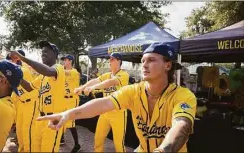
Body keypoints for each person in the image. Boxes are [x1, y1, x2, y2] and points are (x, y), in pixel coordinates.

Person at [38, 43, 197, 153]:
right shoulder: (134, 91)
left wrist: (163, 150)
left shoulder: (183, 95)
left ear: (168, 65)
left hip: (163, 148)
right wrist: (68, 114)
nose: (144, 65)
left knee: (119, 145)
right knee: (98, 141)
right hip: (135, 141)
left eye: (151, 60)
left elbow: (181, 126)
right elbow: (102, 103)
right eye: (143, 61)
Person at [8, 40, 66, 152]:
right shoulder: (42, 76)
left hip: (54, 119)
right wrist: (16, 77)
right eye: (42, 52)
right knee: (35, 149)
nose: (43, 54)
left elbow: (49, 71)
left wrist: (22, 58)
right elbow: (29, 87)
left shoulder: (58, 68)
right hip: (40, 119)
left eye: (46, 52)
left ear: (55, 54)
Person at [74, 52, 129, 152]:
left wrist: (92, 88)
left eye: (112, 59)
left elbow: (110, 82)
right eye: (109, 59)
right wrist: (82, 87)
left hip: (118, 113)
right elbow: (95, 80)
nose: (110, 61)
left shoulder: (124, 74)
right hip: (105, 112)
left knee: (118, 145)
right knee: (98, 140)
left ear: (119, 61)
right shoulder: (107, 74)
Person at [9, 49, 36, 152]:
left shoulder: (25, 69)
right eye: (11, 58)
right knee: (20, 132)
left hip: (31, 103)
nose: (12, 60)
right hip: (21, 103)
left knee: (27, 133)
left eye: (14, 57)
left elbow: (15, 70)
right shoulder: (16, 68)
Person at [60, 55, 81, 153]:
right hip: (64, 99)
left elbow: (64, 73)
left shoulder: (74, 72)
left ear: (71, 61)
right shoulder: (63, 71)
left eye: (66, 59)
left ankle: (77, 144)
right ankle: (61, 138)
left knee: (71, 123)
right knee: (61, 118)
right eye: (64, 60)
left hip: (72, 99)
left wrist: (54, 70)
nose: (64, 61)